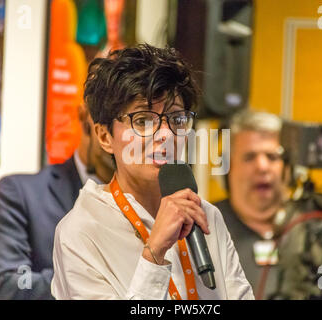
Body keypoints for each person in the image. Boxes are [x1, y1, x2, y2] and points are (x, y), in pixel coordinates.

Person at [51, 44, 254, 300]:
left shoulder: (206, 216)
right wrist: (154, 253)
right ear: (104, 136)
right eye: (144, 121)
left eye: (177, 120)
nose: (166, 135)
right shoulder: (81, 231)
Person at [0, 104, 114, 299]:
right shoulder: (20, 194)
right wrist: (94, 278)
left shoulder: (160, 202)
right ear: (85, 117)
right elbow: (9, 286)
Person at [214, 110, 287, 299]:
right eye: (249, 157)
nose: (262, 167)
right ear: (226, 168)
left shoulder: (311, 226)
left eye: (272, 157)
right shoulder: (206, 226)